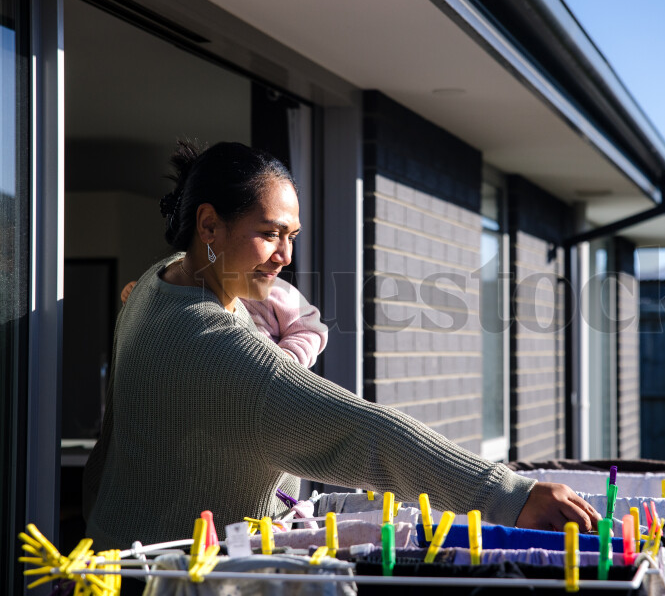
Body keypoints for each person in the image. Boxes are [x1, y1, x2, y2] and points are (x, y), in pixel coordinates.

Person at [83, 140, 599, 551]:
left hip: (114, 559)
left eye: (293, 235)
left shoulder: (154, 285)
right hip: (178, 579)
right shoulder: (220, 351)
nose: (285, 255)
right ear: (209, 224)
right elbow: (367, 434)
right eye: (270, 233)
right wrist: (510, 495)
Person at [121, 274, 328, 367]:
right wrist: (142, 295)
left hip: (269, 388)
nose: (283, 256)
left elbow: (309, 327)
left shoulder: (270, 288)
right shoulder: (193, 287)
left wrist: (288, 358)